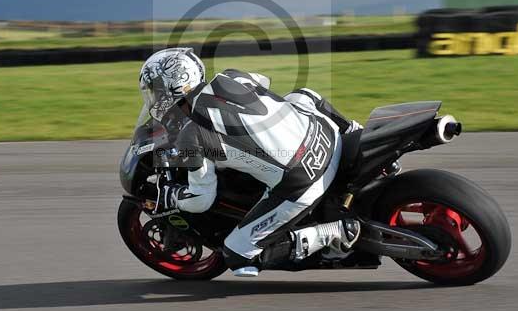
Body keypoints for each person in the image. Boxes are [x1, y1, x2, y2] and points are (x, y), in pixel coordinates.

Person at [139, 47, 362, 277]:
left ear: (174, 87)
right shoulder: (229, 77)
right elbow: (262, 83)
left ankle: (336, 232)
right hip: (326, 133)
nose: (153, 98)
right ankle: (354, 129)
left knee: (237, 254)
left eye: (155, 90)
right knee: (300, 95)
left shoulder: (192, 134)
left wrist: (171, 195)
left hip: (304, 178)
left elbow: (201, 200)